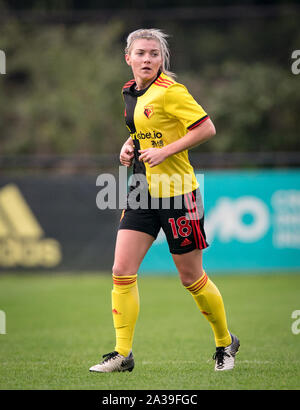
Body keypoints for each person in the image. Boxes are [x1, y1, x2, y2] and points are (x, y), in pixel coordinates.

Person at [89, 28, 239, 373]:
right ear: (128, 58)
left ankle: (224, 343)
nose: (147, 59)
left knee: (192, 278)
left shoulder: (172, 92)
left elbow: (206, 128)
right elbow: (140, 133)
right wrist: (129, 147)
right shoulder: (129, 92)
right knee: (121, 271)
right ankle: (122, 354)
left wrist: (166, 151)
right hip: (141, 192)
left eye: (154, 54)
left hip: (178, 193)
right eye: (140, 53)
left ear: (162, 59)